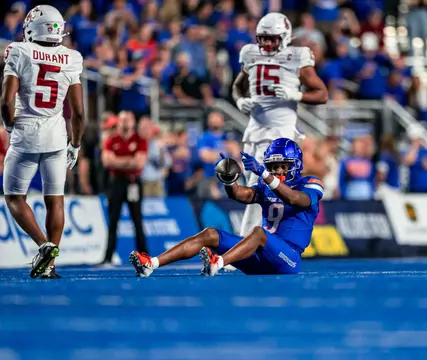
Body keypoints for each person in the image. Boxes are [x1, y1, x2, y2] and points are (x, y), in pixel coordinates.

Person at [129, 138, 324, 277]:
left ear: (295, 165)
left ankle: (218, 263)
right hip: (259, 257)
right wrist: (229, 178)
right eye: (274, 166)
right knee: (210, 234)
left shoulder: (310, 183)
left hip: (287, 259)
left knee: (258, 233)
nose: (278, 170)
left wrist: (265, 174)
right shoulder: (267, 185)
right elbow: (241, 195)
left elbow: (296, 199)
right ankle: (151, 264)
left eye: (283, 166)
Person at [1, 5, 85, 279]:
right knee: (55, 200)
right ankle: (50, 264)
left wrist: (10, 126)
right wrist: (76, 144)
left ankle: (44, 245)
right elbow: (79, 112)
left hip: (25, 132)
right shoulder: (71, 57)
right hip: (57, 135)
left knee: (14, 196)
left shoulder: (19, 50)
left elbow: (6, 100)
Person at [232, 12, 328, 238]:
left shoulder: (297, 57)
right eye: (263, 38)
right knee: (255, 189)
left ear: (285, 37)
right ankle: (264, 240)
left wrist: (296, 95)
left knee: (261, 187)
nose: (267, 44)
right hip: (254, 132)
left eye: (272, 39)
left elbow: (322, 94)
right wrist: (239, 99)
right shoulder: (250, 53)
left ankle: (246, 245)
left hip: (280, 136)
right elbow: (237, 85)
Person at [101, 111, 149, 265]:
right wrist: (129, 161)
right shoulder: (111, 140)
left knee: (137, 220)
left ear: (133, 122)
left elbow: (139, 163)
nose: (125, 123)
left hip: (133, 181)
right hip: (116, 182)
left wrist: (118, 161)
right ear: (118, 122)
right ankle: (108, 256)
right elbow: (107, 161)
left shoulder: (140, 140)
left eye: (128, 120)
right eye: (123, 120)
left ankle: (144, 256)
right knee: (113, 220)